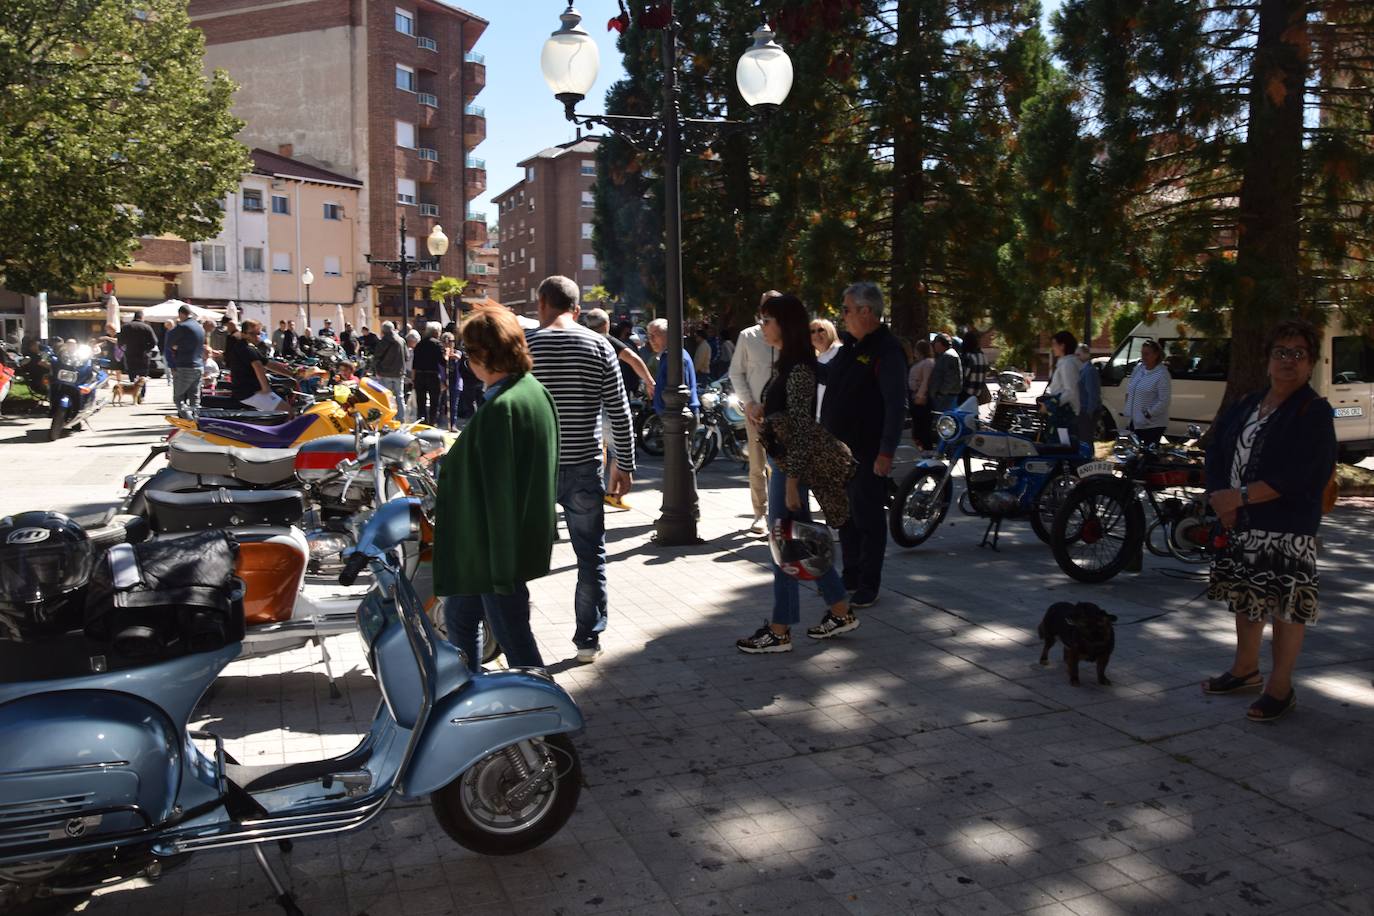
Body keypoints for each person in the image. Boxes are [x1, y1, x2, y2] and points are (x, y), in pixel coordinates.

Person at [1202, 319, 1337, 722]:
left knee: (1285, 607)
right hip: (1241, 523)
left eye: (1299, 353)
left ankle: (1281, 687)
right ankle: (1245, 671)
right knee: (1246, 599)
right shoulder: (1247, 403)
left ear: (1311, 363)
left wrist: (1239, 497)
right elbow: (1217, 451)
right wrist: (1221, 501)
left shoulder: (1314, 411)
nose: (1288, 361)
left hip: (1287, 526)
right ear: (1268, 359)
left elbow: (1304, 474)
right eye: (1281, 352)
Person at [433, 306, 559, 672]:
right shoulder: (530, 391)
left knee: (515, 640)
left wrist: (502, 569)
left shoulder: (503, 408)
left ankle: (549, 722)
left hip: (492, 553)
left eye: (468, 352)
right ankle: (467, 695)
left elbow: (501, 490)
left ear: (483, 355)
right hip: (487, 550)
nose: (465, 361)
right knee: (460, 616)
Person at [737, 294, 858, 654]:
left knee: (784, 545)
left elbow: (804, 429)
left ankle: (780, 628)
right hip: (786, 466)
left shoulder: (799, 368)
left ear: (785, 325)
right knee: (799, 542)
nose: (763, 326)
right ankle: (839, 610)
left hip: (789, 469)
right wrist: (762, 411)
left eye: (769, 320)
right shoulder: (787, 365)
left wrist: (790, 482)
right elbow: (790, 419)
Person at [526, 276, 636, 663]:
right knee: (590, 556)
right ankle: (587, 640)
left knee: (520, 557)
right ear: (576, 308)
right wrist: (624, 462)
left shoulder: (529, 345)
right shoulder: (599, 345)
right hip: (584, 466)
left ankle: (519, 642)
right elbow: (618, 410)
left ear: (542, 304)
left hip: (535, 470)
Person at [819, 282, 908, 608]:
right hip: (841, 452)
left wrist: (886, 452)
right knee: (847, 518)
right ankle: (852, 575)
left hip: (869, 451)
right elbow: (829, 375)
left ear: (866, 311)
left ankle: (869, 584)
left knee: (869, 519)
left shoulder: (887, 350)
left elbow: (896, 405)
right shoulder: (851, 346)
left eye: (846, 309)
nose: (842, 316)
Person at [585, 308, 654, 508]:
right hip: (607, 405)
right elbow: (633, 358)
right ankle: (613, 493)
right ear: (606, 325)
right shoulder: (605, 340)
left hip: (587, 408)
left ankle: (595, 491)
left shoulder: (579, 338)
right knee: (617, 449)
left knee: (598, 449)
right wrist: (650, 381)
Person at [728, 292, 781, 534]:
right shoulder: (747, 336)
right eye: (765, 309)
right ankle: (760, 513)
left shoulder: (791, 336)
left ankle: (782, 514)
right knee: (757, 465)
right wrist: (749, 403)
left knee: (783, 465)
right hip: (756, 413)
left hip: (784, 414)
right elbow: (736, 372)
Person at [647, 318, 701, 420]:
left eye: (655, 334)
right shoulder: (667, 356)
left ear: (668, 335)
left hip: (679, 419)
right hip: (671, 417)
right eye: (649, 336)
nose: (651, 340)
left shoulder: (676, 357)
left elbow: (682, 393)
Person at [1122, 338, 1171, 445]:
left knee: (1147, 458)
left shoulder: (1162, 374)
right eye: (1142, 353)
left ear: (1156, 355)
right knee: (1132, 456)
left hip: (1152, 425)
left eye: (1147, 354)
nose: (1143, 357)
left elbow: (1164, 401)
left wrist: (1147, 414)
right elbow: (1130, 388)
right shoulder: (1139, 368)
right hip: (1134, 422)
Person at [165, 304, 206, 417]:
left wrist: (177, 347)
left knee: (178, 398)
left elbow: (169, 343)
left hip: (185, 365)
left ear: (180, 314)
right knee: (195, 399)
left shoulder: (182, 326)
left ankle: (189, 422)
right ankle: (198, 421)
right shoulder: (199, 327)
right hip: (199, 366)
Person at [225, 319, 272, 404]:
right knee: (289, 411)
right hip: (249, 393)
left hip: (250, 391)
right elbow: (258, 367)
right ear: (243, 334)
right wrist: (266, 388)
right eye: (252, 333)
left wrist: (292, 374)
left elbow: (267, 363)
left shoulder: (250, 347)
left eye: (258, 333)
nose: (257, 336)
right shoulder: (245, 348)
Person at [371, 321, 407, 421]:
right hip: (399, 374)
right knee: (400, 397)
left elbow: (376, 357)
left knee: (386, 397)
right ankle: (401, 418)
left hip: (385, 373)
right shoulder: (401, 340)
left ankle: (388, 418)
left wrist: (376, 370)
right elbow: (407, 356)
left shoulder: (383, 342)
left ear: (383, 330)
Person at [1045, 331, 1081, 431]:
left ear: (1062, 346)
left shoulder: (1067, 364)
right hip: (1065, 413)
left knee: (1063, 444)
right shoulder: (1066, 362)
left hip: (1066, 415)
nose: (1052, 348)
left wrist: (1050, 405)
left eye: (1054, 344)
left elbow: (1070, 391)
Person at [411, 322, 444, 425]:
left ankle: (422, 420)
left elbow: (414, 363)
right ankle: (432, 421)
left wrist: (413, 378)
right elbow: (442, 361)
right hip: (433, 375)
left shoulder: (419, 344)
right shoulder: (437, 344)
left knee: (421, 401)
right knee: (434, 401)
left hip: (420, 375)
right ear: (436, 332)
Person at [116, 311, 157, 391]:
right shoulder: (147, 327)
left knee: (132, 375)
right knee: (143, 376)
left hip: (130, 354)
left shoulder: (125, 327)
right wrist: (147, 349)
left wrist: (124, 349)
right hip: (143, 356)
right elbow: (154, 341)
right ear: (142, 317)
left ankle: (133, 392)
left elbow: (120, 341)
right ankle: (141, 395)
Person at [812, 317, 842, 420]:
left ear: (830, 331)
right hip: (819, 415)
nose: (816, 334)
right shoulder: (817, 357)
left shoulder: (839, 351)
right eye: (812, 331)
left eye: (821, 330)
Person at [908, 339, 935, 449]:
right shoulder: (921, 362)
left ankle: (926, 448)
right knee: (918, 425)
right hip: (915, 395)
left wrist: (920, 395)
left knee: (922, 425)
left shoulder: (928, 362)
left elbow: (926, 380)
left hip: (921, 398)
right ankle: (921, 447)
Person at [928, 333, 962, 412]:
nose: (934, 346)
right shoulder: (946, 355)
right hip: (945, 396)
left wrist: (941, 393)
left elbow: (951, 378)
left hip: (946, 397)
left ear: (939, 343)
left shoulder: (949, 356)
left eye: (935, 343)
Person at [1076, 344, 1101, 445]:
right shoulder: (1083, 369)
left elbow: (1093, 394)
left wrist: (1090, 412)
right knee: (1083, 438)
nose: (1077, 357)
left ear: (1086, 354)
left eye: (1079, 354)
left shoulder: (1089, 370)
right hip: (1083, 409)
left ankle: (1089, 459)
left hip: (1087, 410)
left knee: (1086, 439)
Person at [959, 326, 989, 405]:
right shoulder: (983, 356)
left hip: (966, 394)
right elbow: (986, 374)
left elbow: (962, 376)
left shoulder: (968, 357)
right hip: (978, 394)